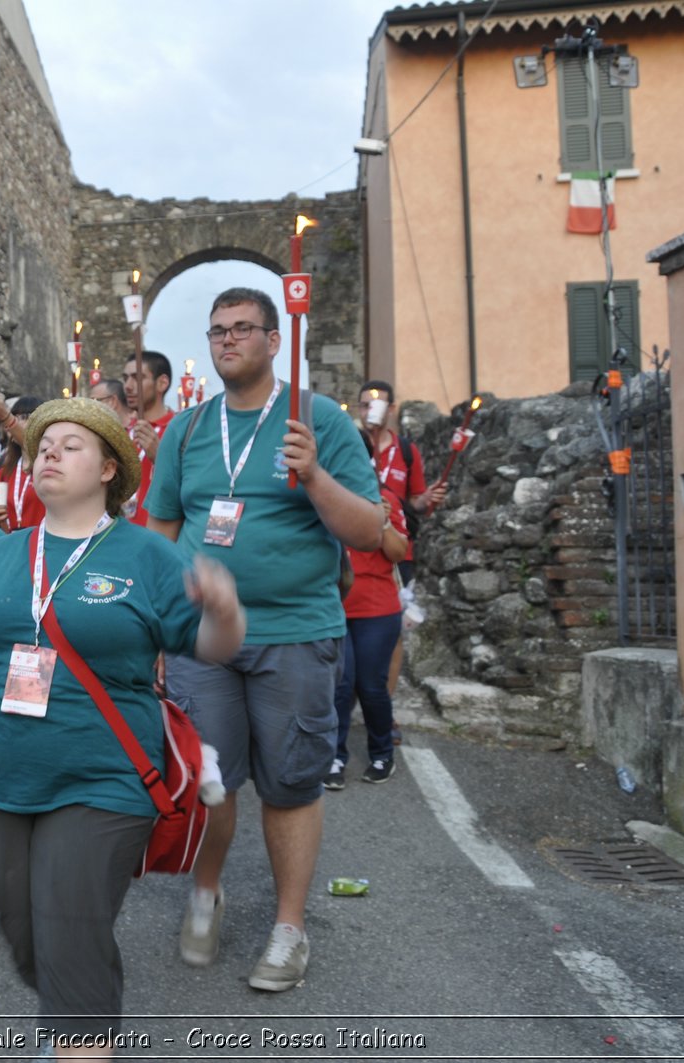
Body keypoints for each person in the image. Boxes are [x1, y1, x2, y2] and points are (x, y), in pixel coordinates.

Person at [0, 399, 244, 1059]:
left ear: (109, 469)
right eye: (43, 445)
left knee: (69, 929)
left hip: (103, 779)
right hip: (4, 782)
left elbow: (212, 645)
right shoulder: (7, 553)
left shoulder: (145, 552)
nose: (50, 454)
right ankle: (71, 1010)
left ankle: (78, 1031)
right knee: (35, 943)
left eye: (71, 444)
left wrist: (226, 609)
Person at [145, 288, 382, 991]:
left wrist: (313, 476)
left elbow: (369, 531)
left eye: (243, 328)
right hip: (203, 641)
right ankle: (206, 891)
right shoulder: (185, 431)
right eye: (217, 330)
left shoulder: (321, 419)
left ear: (275, 340)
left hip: (295, 633)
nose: (227, 340)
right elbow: (158, 537)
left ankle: (288, 928)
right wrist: (155, 632)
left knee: (290, 783)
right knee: (209, 782)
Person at [327, 430, 411, 789]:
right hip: (335, 607)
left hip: (377, 607)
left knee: (371, 685)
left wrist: (384, 520)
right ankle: (334, 757)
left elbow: (397, 553)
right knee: (340, 686)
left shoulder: (385, 497)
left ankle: (381, 754)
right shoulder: (321, 495)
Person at [357, 379, 447, 704]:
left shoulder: (406, 451)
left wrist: (426, 501)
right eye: (364, 404)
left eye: (376, 404)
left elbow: (414, 503)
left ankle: (385, 704)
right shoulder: (353, 445)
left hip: (397, 554)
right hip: (356, 554)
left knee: (392, 632)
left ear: (391, 409)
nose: (370, 410)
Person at [0, 394, 44, 533]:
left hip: (42, 546)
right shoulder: (3, 471)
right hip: (13, 546)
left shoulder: (48, 463)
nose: (18, 422)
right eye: (15, 417)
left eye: (25, 417)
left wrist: (5, 417)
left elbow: (32, 446)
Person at [121, 350, 176, 526]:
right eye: (125, 378)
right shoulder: (120, 433)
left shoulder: (181, 430)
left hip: (158, 537)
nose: (128, 386)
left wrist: (160, 458)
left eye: (137, 377)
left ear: (162, 383)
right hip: (120, 535)